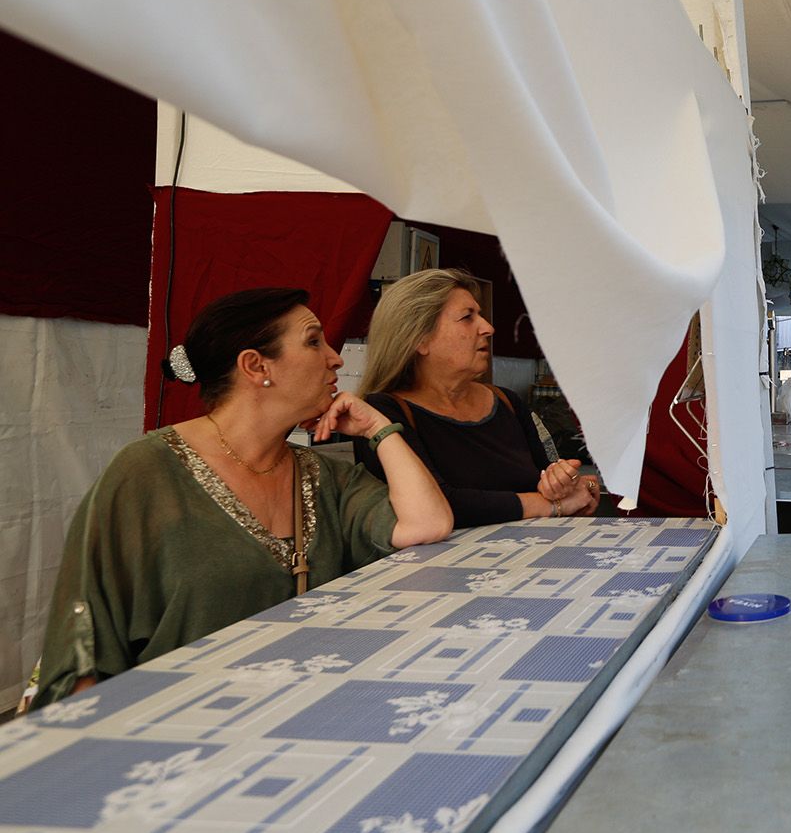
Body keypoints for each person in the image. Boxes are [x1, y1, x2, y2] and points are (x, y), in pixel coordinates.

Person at [31, 288, 454, 710]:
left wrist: (380, 429)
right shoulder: (147, 473)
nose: (335, 357)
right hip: (178, 722)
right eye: (313, 341)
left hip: (304, 710)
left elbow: (428, 524)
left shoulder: (324, 475)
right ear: (256, 366)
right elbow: (85, 638)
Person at [356, 269, 599, 526]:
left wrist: (568, 484)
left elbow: (548, 480)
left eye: (480, 315)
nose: (488, 328)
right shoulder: (381, 415)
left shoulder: (507, 402)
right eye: (467, 318)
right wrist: (550, 505)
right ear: (420, 339)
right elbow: (439, 504)